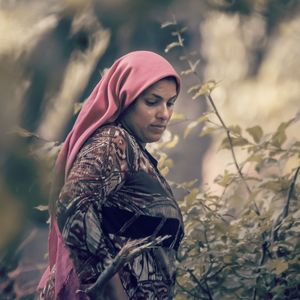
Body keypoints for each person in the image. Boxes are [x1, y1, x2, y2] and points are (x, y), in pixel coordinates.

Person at [37, 51, 184, 299]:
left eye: (170, 103)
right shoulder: (114, 142)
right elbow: (72, 204)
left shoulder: (134, 151)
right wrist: (108, 289)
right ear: (125, 99)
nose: (164, 114)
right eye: (152, 101)